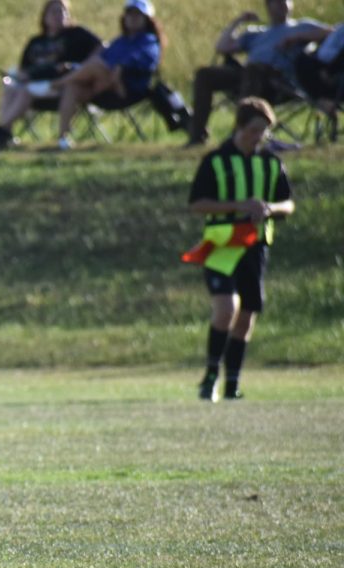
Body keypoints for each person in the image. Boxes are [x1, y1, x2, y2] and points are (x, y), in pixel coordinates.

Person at [184, 97, 294, 402]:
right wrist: (238, 206)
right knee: (226, 309)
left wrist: (269, 208)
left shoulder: (271, 163)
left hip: (256, 247)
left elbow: (288, 203)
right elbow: (196, 204)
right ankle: (209, 377)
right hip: (221, 246)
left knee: (246, 316)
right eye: (256, 129)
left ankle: (232, 382)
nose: (261, 136)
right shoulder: (216, 161)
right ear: (240, 126)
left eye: (266, 131)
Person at [185, 0, 330, 147]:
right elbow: (222, 47)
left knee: (254, 70)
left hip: (279, 82)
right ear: (268, 6)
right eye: (278, 3)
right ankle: (197, 135)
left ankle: (238, 134)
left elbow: (332, 33)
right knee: (204, 74)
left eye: (285, 2)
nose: (283, 5)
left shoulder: (301, 26)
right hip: (248, 76)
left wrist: (297, 38)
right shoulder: (257, 33)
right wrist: (238, 21)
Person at [0, 0, 103, 149]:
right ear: (44, 17)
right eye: (54, 11)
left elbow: (102, 47)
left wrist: (84, 66)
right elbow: (23, 68)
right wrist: (21, 76)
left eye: (63, 11)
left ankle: (2, 130)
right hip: (34, 84)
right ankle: (5, 132)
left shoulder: (77, 34)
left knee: (25, 91)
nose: (59, 15)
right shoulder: (36, 41)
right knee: (10, 85)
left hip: (61, 84)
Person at [54, 0, 163, 150]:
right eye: (129, 14)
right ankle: (63, 139)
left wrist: (120, 67)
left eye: (138, 15)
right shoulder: (120, 42)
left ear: (147, 19)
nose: (132, 18)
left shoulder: (149, 41)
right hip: (103, 88)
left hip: (127, 90)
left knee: (96, 65)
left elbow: (144, 61)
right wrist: (73, 66)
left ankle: (57, 84)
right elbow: (104, 59)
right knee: (73, 87)